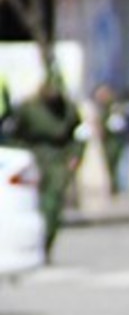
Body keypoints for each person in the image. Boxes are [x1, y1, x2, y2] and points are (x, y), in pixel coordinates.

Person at [9, 74, 83, 261]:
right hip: (34, 157)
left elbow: (80, 134)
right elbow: (15, 135)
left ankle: (46, 244)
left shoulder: (68, 110)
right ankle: (33, 245)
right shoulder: (28, 109)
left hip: (59, 158)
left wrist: (75, 156)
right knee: (32, 203)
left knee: (53, 203)